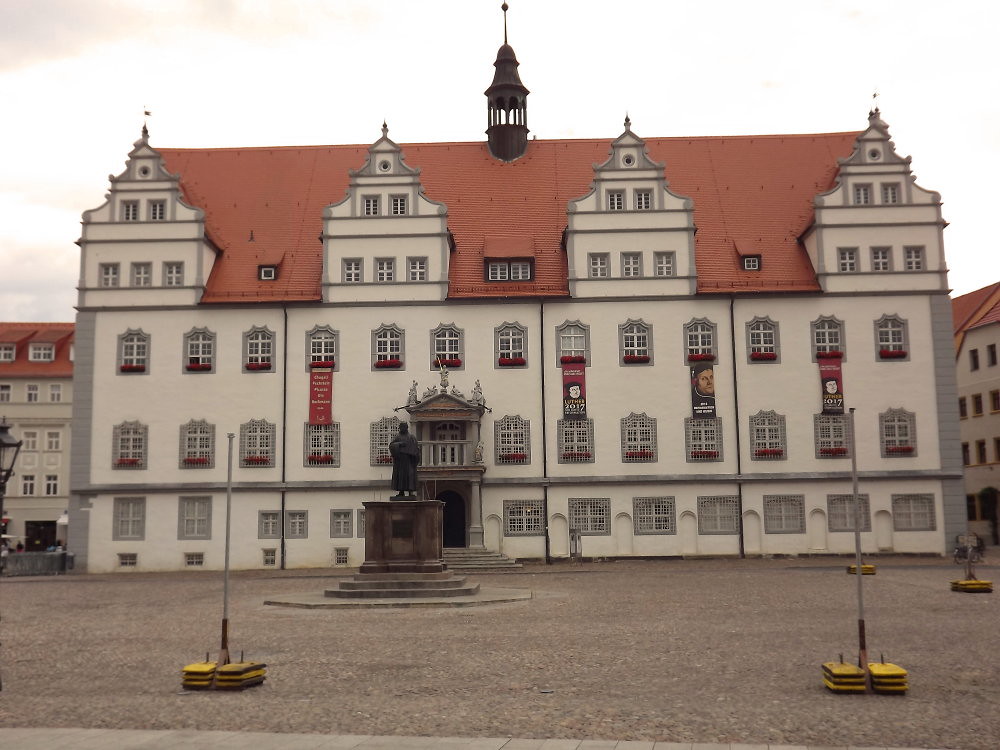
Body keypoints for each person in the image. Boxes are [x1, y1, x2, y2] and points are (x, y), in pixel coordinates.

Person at [388, 422, 420, 498]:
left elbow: (416, 448)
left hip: (409, 460)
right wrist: (399, 444)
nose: (401, 428)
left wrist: (415, 455)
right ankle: (401, 492)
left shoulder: (411, 437)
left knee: (410, 475)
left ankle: (410, 492)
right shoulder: (397, 437)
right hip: (400, 460)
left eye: (403, 427)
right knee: (400, 476)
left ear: (406, 428)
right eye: (401, 427)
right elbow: (391, 445)